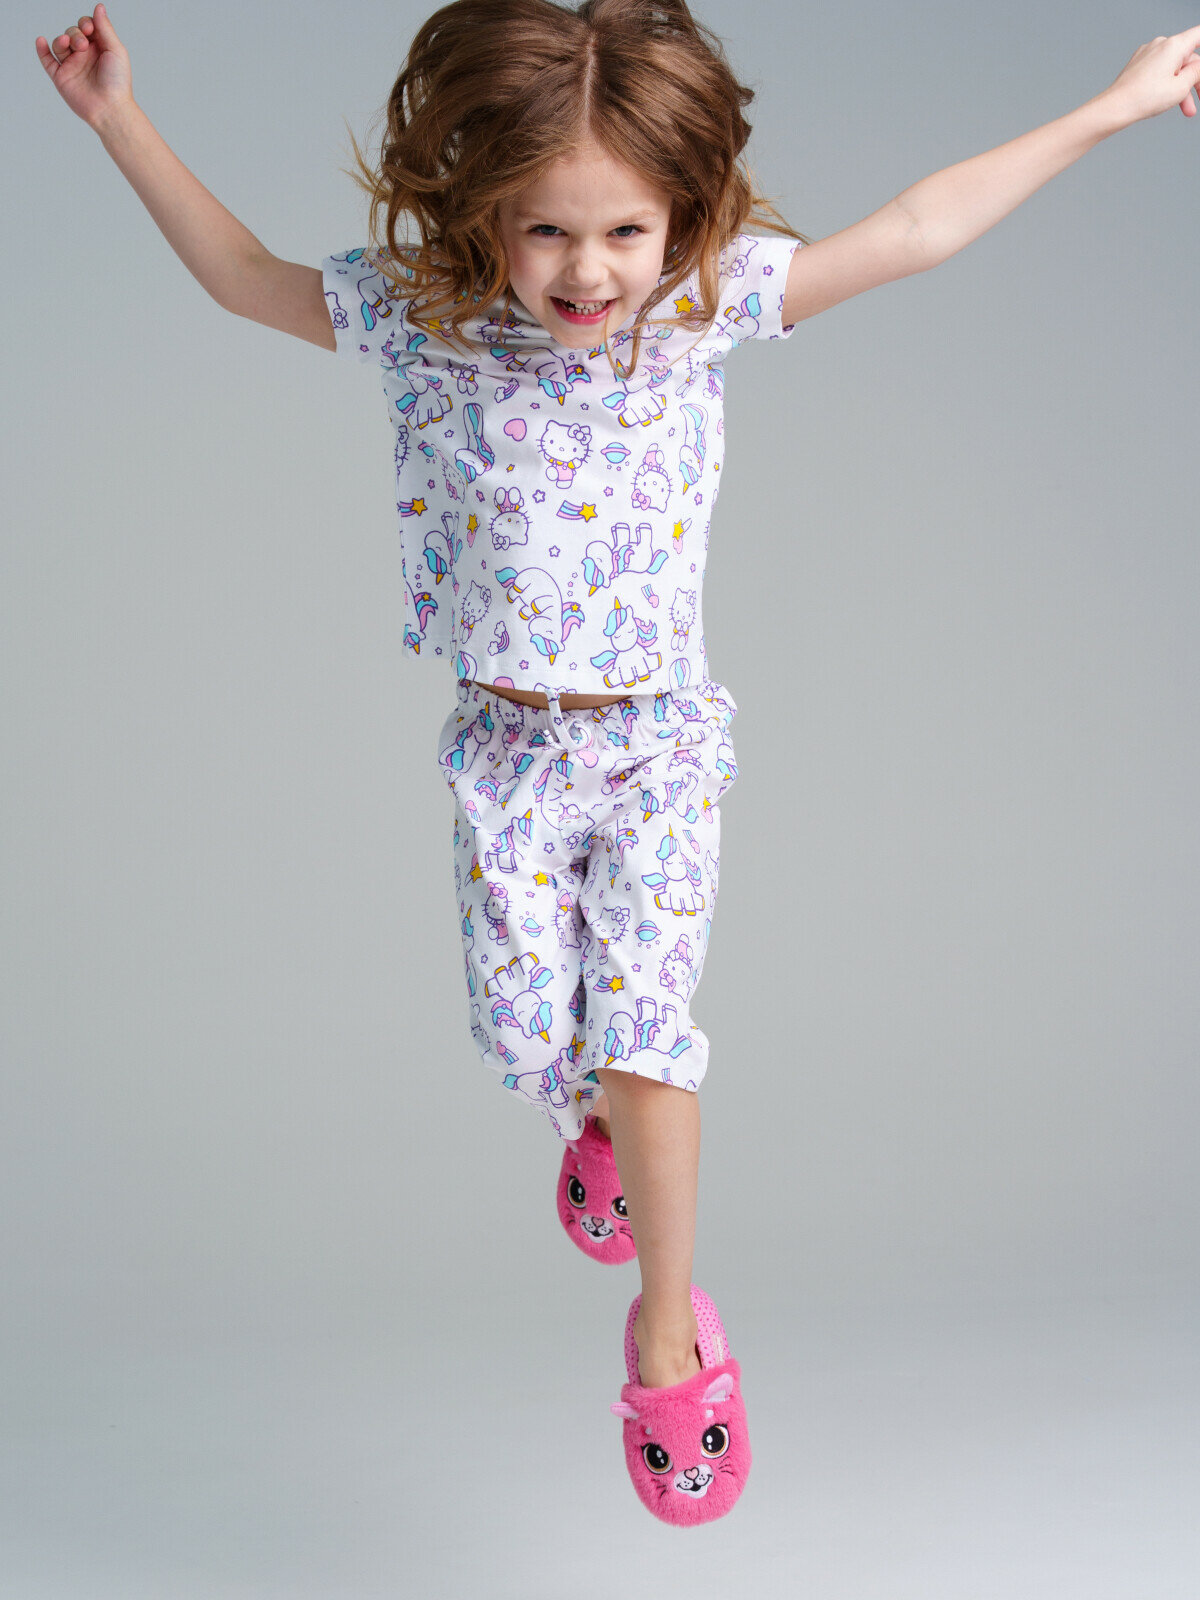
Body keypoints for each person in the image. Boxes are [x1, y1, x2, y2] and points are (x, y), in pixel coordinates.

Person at [37, 0, 1200, 1528]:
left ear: (682, 218)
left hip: (655, 746)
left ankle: (671, 1333)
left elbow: (917, 228)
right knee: (530, 1038)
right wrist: (117, 118)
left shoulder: (701, 308)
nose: (588, 272)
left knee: (648, 1030)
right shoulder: (429, 320)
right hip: (505, 751)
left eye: (625, 233)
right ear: (484, 212)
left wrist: (1111, 108)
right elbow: (245, 278)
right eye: (547, 231)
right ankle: (584, 1123)